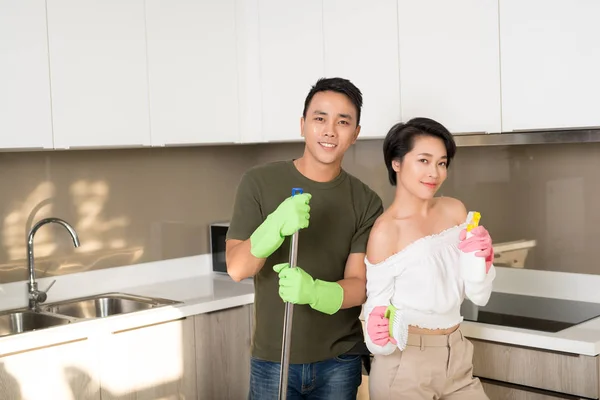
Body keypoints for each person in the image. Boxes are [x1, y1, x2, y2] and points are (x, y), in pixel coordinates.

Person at [225, 77, 384, 399]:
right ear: (302, 125)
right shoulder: (259, 182)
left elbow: (359, 284)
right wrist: (274, 227)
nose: (329, 130)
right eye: (320, 118)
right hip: (274, 358)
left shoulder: (366, 201)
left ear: (355, 134)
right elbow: (237, 268)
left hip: (340, 359)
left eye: (343, 122)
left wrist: (314, 292)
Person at [363, 117, 496, 399]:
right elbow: (377, 317)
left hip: (457, 355)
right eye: (423, 160)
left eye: (442, 162)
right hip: (404, 367)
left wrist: (482, 263)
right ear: (396, 163)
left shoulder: (455, 211)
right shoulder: (385, 232)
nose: (434, 172)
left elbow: (478, 295)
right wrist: (376, 336)